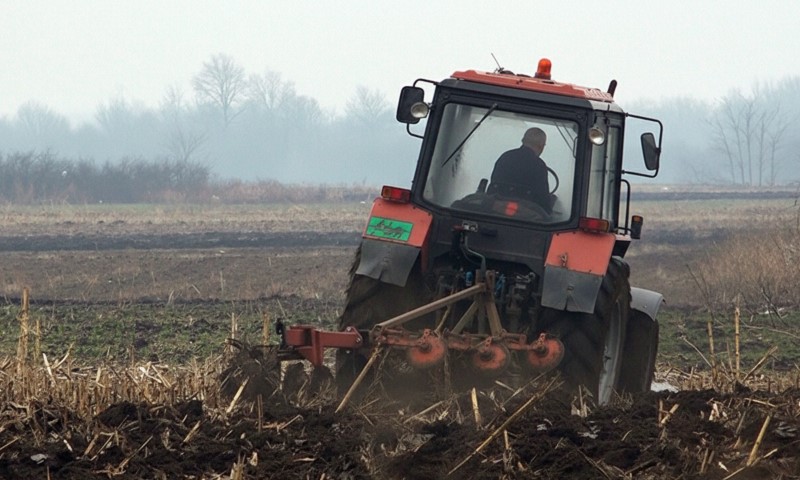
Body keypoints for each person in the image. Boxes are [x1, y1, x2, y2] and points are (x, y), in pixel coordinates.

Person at [487, 127, 552, 214]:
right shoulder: (539, 166)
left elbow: (493, 185)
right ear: (541, 145)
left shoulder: (505, 157)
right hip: (524, 218)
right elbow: (542, 199)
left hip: (495, 212)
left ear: (523, 140)